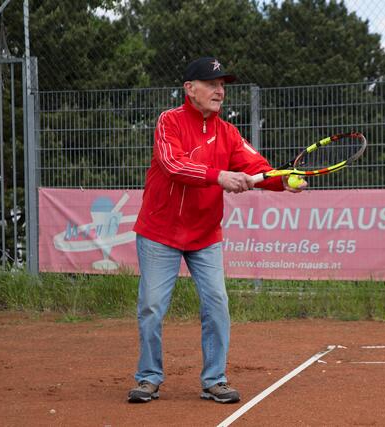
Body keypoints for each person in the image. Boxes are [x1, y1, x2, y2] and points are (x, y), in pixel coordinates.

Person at [127, 57, 306, 404]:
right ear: (189, 89)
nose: (219, 91)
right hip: (159, 232)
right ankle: (148, 378)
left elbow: (259, 169)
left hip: (205, 235)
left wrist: (284, 182)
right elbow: (173, 164)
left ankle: (214, 380)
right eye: (211, 84)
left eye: (222, 85)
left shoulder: (229, 133)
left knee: (217, 303)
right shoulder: (169, 122)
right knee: (151, 306)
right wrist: (218, 176)